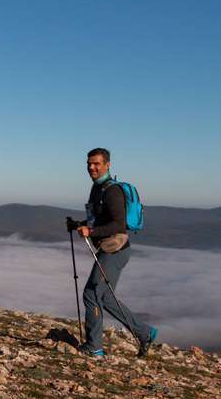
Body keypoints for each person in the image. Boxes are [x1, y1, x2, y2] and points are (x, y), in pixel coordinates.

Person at [77, 148, 158, 357]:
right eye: (89, 164)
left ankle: (94, 347)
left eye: (96, 163)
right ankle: (145, 333)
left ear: (107, 165)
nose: (92, 167)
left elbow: (118, 224)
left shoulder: (111, 191)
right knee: (104, 297)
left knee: (92, 293)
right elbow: (100, 219)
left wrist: (91, 231)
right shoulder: (97, 189)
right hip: (110, 249)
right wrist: (81, 224)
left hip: (115, 250)